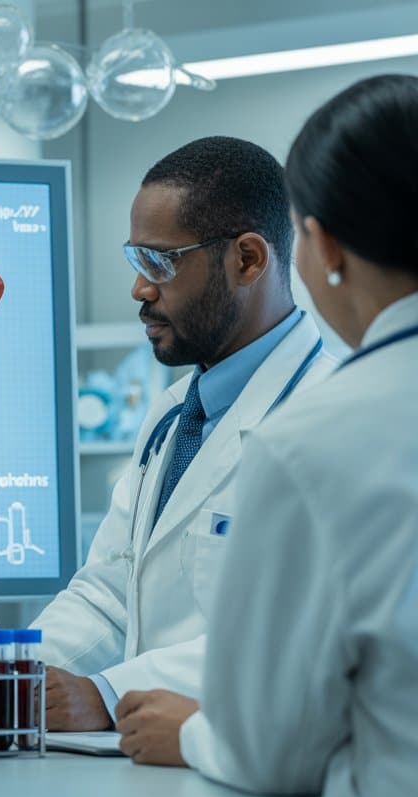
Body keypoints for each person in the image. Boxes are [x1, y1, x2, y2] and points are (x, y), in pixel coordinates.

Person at [115, 74, 418, 797]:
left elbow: (273, 743)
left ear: (319, 247)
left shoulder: (320, 433)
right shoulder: (187, 419)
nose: (138, 289)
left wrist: (189, 729)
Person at [31, 136, 337, 730]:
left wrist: (105, 693)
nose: (140, 290)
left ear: (248, 260)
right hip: (150, 766)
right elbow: (109, 594)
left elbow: (299, 633)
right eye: (135, 261)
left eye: (160, 263)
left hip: (252, 777)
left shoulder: (327, 418)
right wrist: (7, 671)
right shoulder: (176, 414)